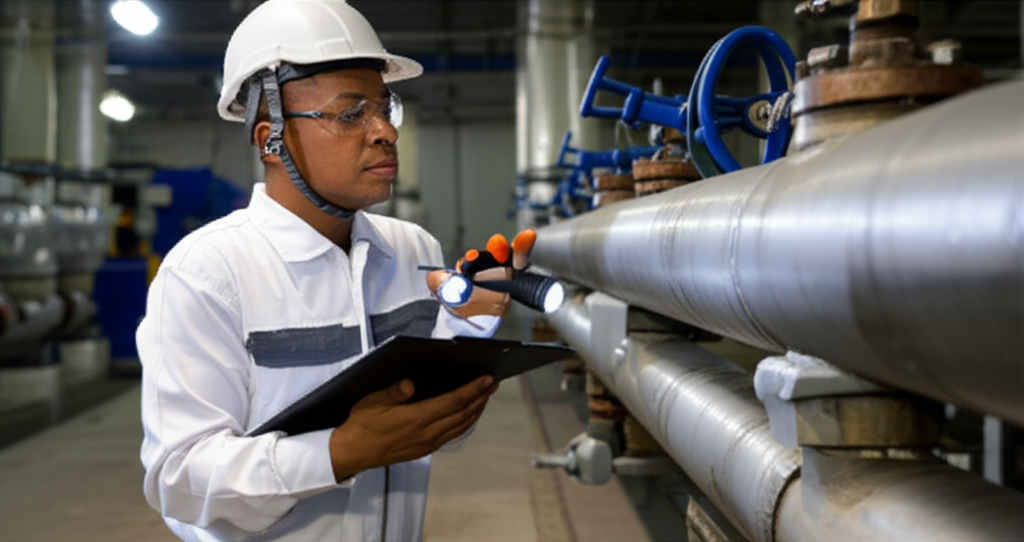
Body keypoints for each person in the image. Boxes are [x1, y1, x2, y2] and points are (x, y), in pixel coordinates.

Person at [137, 1, 529, 540]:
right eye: (350, 114)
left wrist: (470, 332)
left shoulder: (412, 250)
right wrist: (340, 452)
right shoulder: (207, 274)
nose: (384, 131)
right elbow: (180, 480)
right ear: (270, 140)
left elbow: (437, 433)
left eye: (385, 109)